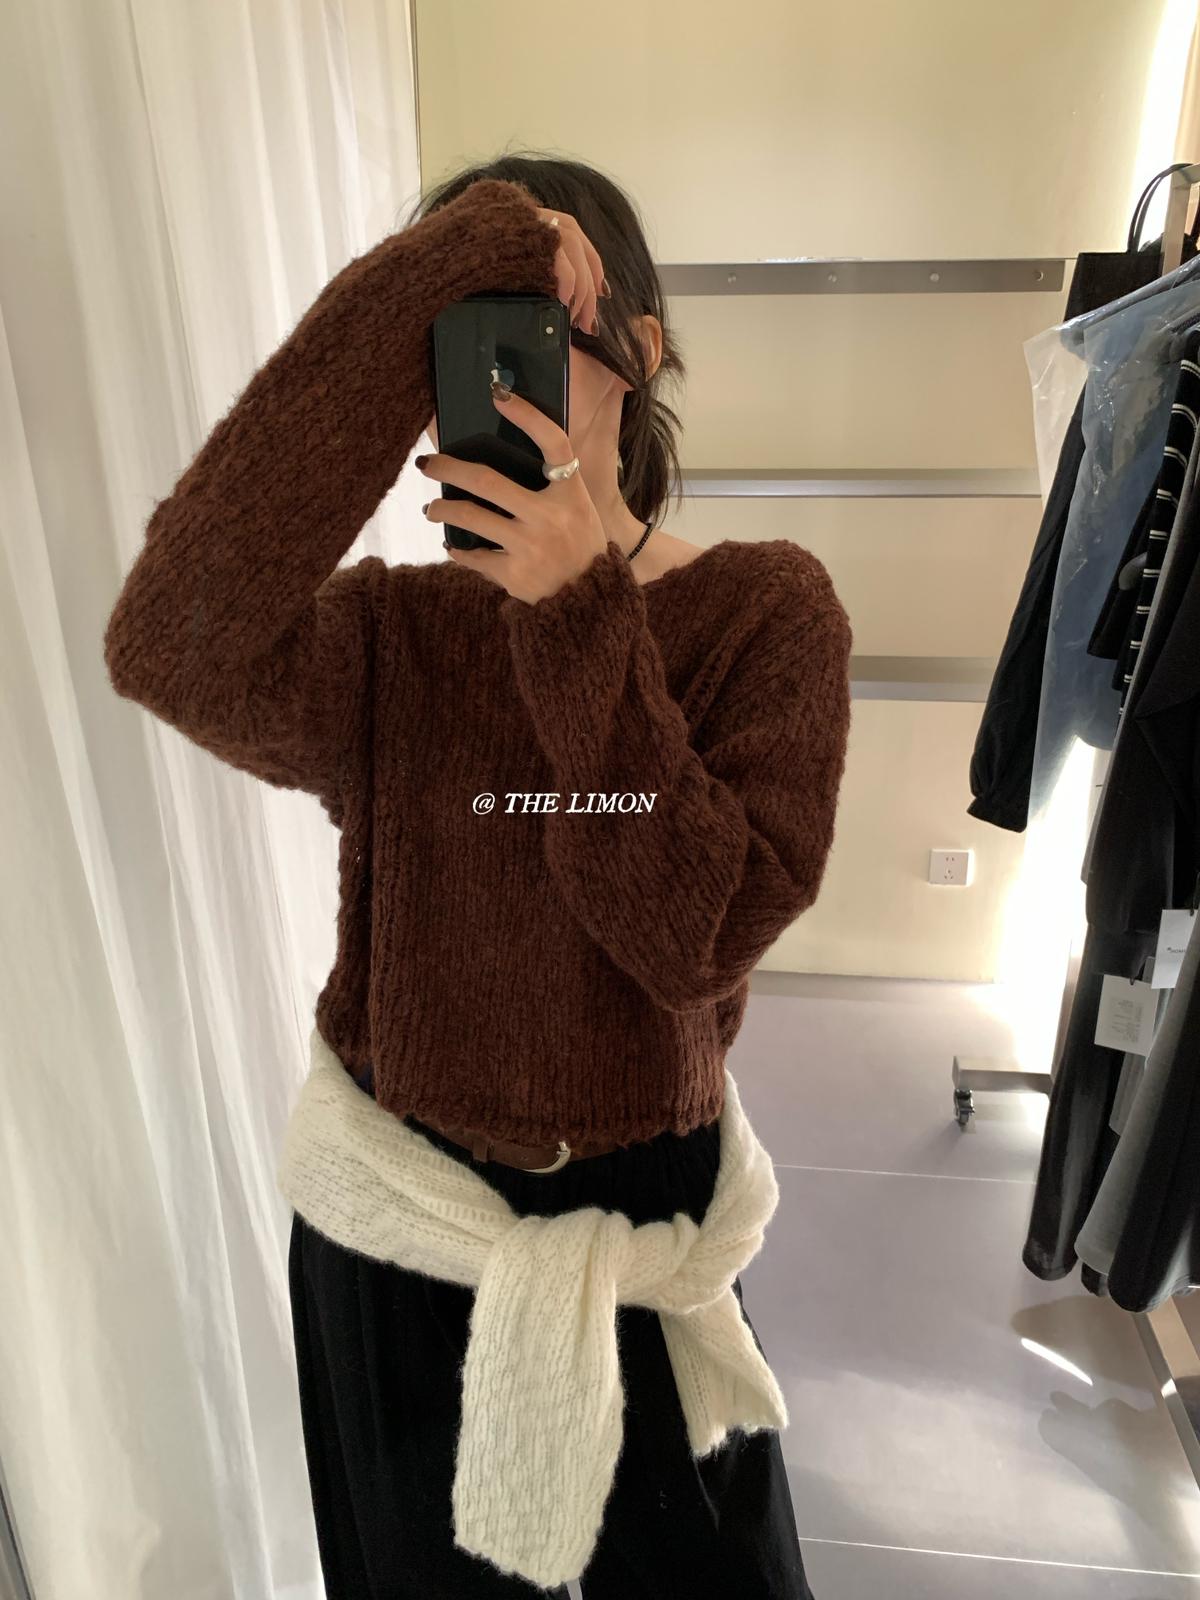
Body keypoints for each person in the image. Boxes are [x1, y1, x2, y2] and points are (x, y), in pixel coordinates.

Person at [103, 147, 852, 1598]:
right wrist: (404, 296)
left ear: (641, 353)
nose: (503, 384)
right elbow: (171, 642)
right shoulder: (393, 635)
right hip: (397, 1246)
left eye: (536, 331)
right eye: (459, 341)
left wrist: (576, 611)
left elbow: (691, 934)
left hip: (642, 1243)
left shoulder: (765, 612)